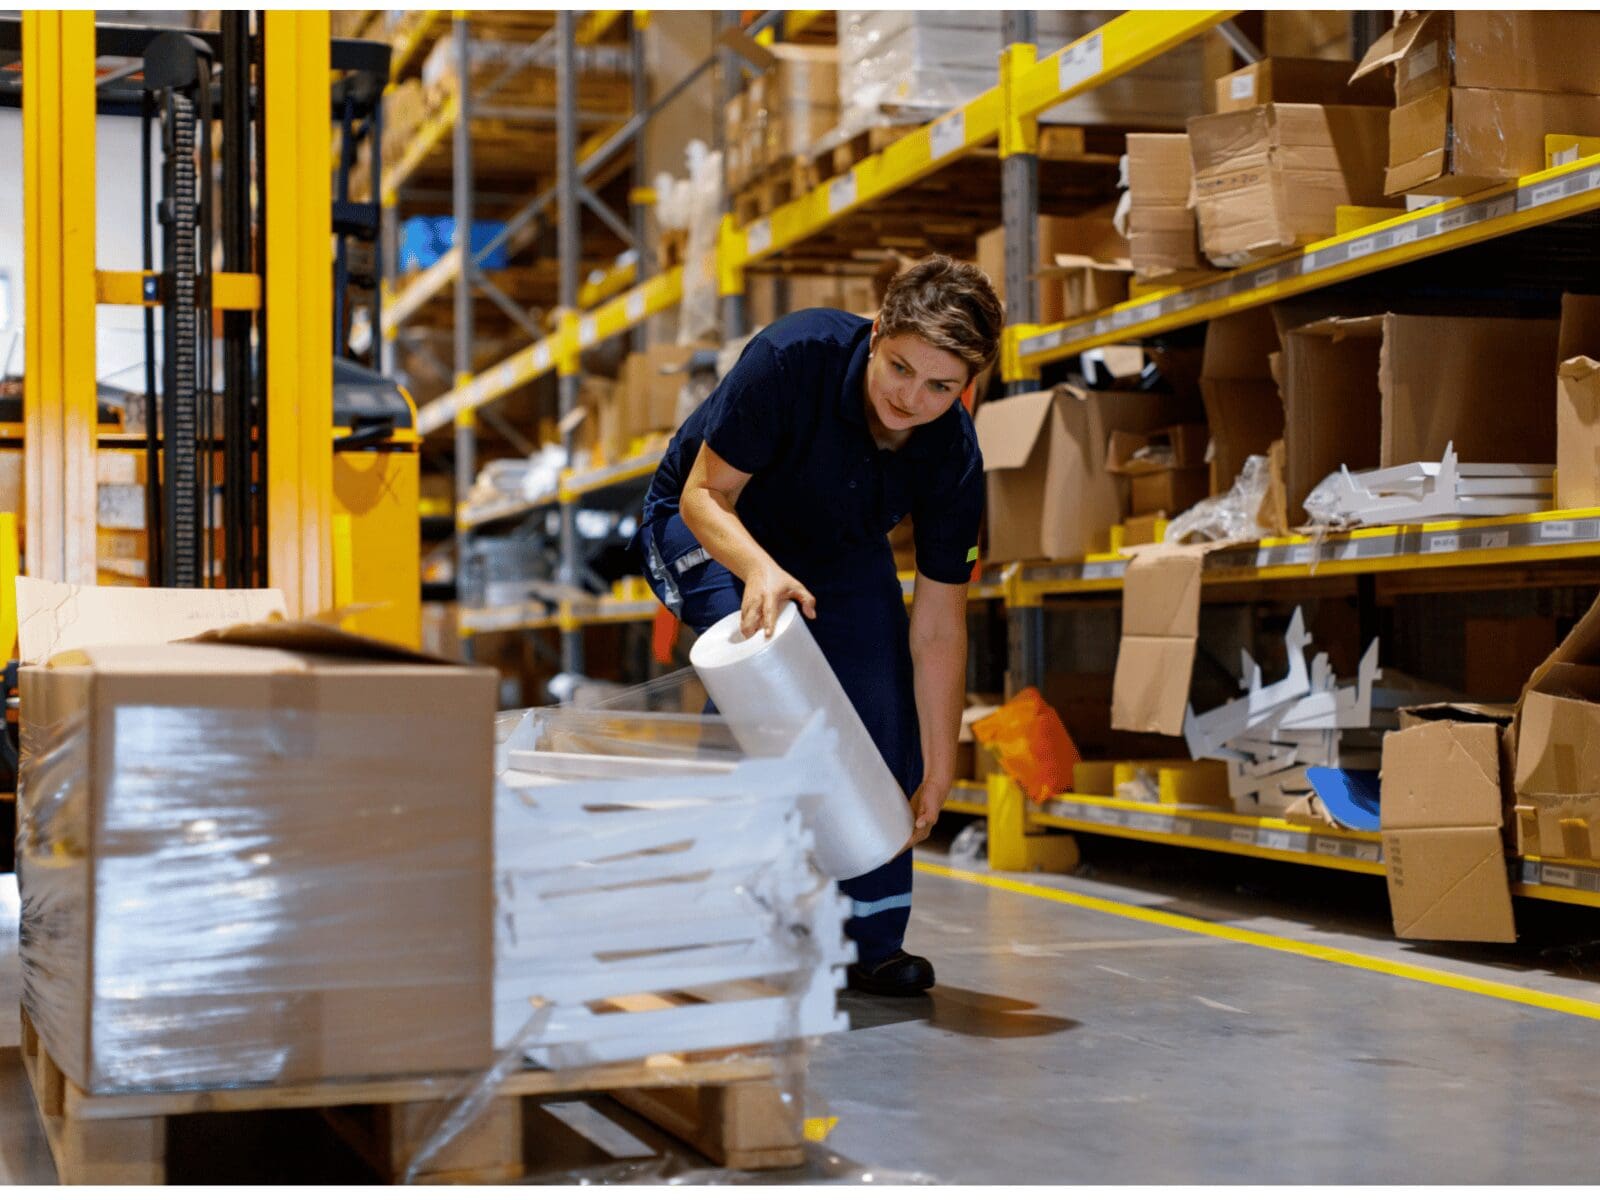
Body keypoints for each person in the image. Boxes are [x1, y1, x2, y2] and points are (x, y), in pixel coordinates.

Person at [637, 255, 1002, 997]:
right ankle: (714, 913)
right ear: (876, 334)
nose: (913, 398)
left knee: (879, 704)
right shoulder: (792, 355)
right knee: (771, 670)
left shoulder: (952, 455)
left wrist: (940, 764)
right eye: (900, 368)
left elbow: (937, 626)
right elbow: (706, 496)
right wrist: (760, 571)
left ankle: (867, 938)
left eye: (942, 385)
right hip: (706, 523)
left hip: (836, 547)